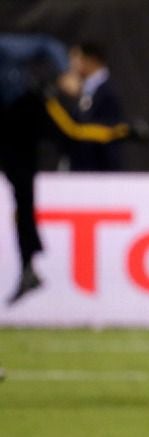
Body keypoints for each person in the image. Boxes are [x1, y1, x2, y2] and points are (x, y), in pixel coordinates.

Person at [0, 33, 68, 305]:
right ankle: (28, 265)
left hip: (19, 117)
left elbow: (48, 44)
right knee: (21, 194)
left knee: (73, 136)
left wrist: (63, 71)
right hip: (8, 128)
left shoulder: (4, 49)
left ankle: (29, 264)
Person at [62, 42, 128, 171]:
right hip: (81, 166)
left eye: (76, 59)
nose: (71, 65)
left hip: (99, 168)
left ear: (90, 60)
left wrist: (75, 98)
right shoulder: (86, 89)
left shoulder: (108, 91)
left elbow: (101, 129)